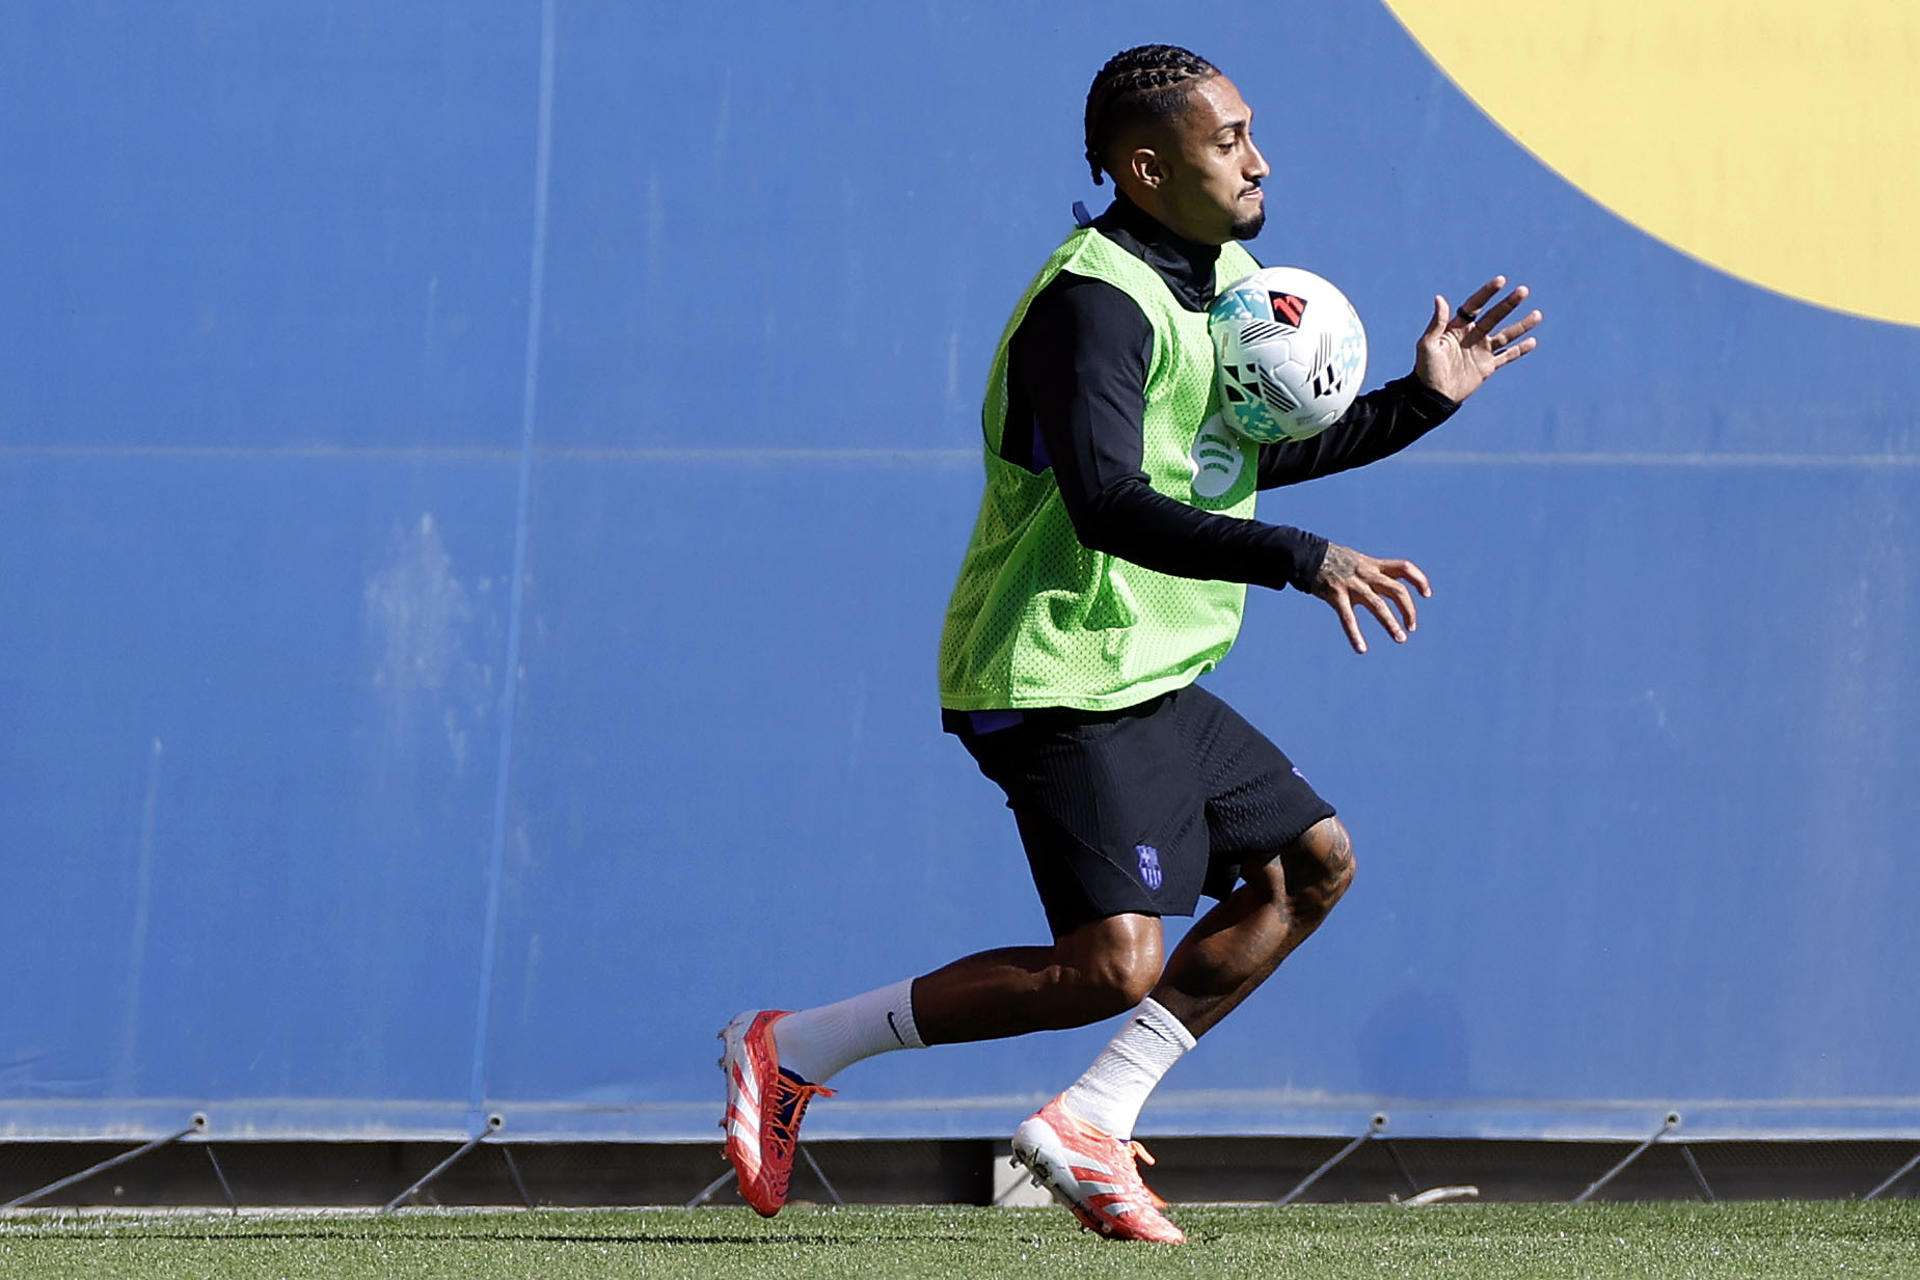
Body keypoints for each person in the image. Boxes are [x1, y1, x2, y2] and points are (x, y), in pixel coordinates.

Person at [719, 43, 1541, 1243]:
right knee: (1112, 964)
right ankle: (791, 1047)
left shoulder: (1224, 277)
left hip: (1148, 666)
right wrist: (1303, 558)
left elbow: (1232, 462)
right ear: (1143, 166)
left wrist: (1419, 400)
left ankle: (1094, 1115)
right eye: (1227, 143)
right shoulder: (1090, 307)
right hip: (1055, 665)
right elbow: (1108, 500)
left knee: (1309, 865)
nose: (1257, 160)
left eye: (1252, 131)